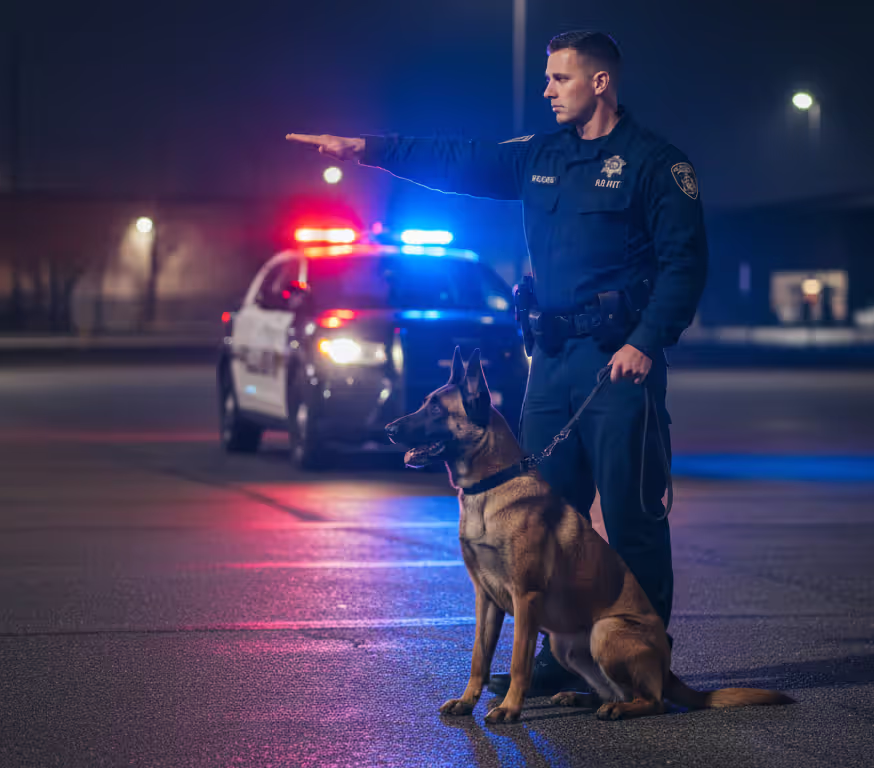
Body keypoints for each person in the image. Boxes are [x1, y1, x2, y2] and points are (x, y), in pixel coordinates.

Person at [288, 29, 708, 698]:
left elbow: (686, 265)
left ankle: (646, 660)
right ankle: (559, 656)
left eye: (560, 79)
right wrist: (371, 150)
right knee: (543, 516)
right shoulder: (540, 157)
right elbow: (459, 158)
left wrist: (648, 339)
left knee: (631, 519)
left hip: (619, 363)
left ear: (600, 82)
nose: (546, 90)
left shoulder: (654, 163)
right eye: (545, 78)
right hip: (551, 361)